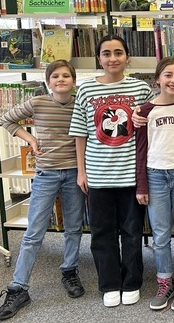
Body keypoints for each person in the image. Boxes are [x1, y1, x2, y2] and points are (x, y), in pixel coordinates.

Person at [0, 60, 86, 321]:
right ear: (48, 82)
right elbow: (7, 119)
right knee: (34, 232)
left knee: (73, 227)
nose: (61, 79)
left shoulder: (81, 104)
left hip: (74, 173)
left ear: (74, 81)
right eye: (55, 76)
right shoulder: (38, 103)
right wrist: (31, 139)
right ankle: (18, 288)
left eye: (66, 75)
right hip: (46, 174)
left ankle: (69, 270)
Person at [69, 34, 154, 308]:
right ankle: (109, 283)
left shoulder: (141, 88)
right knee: (101, 233)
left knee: (132, 232)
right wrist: (81, 171)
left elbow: (151, 128)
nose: (112, 58)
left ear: (127, 57)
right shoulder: (85, 89)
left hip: (131, 175)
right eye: (106, 53)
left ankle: (131, 282)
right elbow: (80, 133)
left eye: (118, 52)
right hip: (98, 175)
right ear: (99, 58)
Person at [135, 57, 174, 312]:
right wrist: (141, 185)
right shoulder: (144, 111)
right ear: (157, 80)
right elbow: (141, 149)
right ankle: (164, 281)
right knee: (160, 235)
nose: (173, 80)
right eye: (168, 75)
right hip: (155, 176)